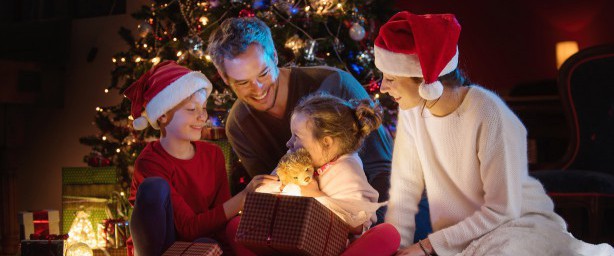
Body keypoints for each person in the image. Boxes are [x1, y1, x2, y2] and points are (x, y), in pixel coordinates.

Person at [375, 12, 614, 256]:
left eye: (391, 78)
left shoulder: (486, 111)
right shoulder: (411, 113)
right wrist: (395, 249)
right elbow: (404, 192)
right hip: (461, 239)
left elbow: (501, 210)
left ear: (423, 78)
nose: (383, 87)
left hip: (515, 225)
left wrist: (427, 246)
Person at [206, 17, 417, 227]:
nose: (258, 88)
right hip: (310, 227)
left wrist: (366, 233)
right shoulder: (239, 125)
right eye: (243, 82)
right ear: (225, 79)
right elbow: (275, 188)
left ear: (275, 57)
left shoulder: (335, 85)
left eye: (263, 73)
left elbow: (384, 169)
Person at [125, 61, 278, 255]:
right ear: (162, 115)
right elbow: (188, 227)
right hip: (162, 246)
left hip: (200, 244)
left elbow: (221, 218)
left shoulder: (212, 154)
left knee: (208, 242)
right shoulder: (150, 163)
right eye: (191, 109)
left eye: (204, 108)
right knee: (154, 187)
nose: (202, 117)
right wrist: (244, 196)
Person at [227, 93, 401, 256]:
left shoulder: (347, 168)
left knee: (387, 235)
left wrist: (314, 195)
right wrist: (268, 188)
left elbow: (357, 224)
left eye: (297, 136)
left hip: (329, 247)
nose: (289, 143)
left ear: (326, 142)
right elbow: (274, 189)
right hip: (287, 237)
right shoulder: (295, 158)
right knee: (236, 226)